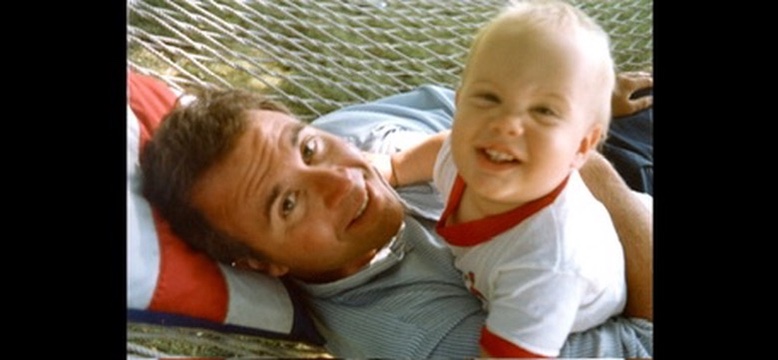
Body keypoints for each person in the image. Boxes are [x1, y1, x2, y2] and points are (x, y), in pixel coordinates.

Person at [139, 76, 653, 357]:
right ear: (260, 264)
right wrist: (590, 167)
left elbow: (470, 109)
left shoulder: (352, 131)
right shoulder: (421, 339)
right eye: (288, 203)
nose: (343, 180)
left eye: (310, 148)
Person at [376, 1, 627, 357]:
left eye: (543, 110)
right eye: (488, 97)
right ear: (460, 104)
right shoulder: (462, 156)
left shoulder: (547, 265)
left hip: (594, 312)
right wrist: (394, 167)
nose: (507, 122)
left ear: (582, 146)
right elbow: (441, 149)